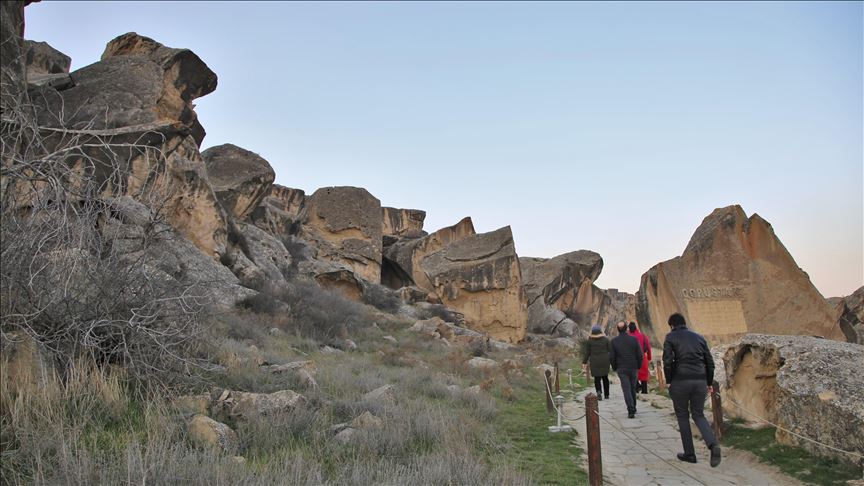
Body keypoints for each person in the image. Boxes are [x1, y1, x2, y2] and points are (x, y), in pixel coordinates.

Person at [663, 313, 722, 467]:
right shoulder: (699, 338)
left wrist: (668, 380)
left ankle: (689, 454)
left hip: (680, 380)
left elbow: (667, 360)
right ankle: (712, 444)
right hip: (700, 380)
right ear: (684, 323)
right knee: (698, 414)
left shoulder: (670, 337)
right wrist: (708, 381)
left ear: (672, 325)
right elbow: (709, 362)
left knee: (682, 416)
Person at [609, 321, 642, 418]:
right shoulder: (634, 339)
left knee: (626, 389)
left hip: (622, 367)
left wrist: (615, 367)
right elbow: (640, 355)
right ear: (626, 328)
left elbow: (612, 357)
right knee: (632, 387)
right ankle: (633, 407)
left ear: (618, 329)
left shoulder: (614, 341)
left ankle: (631, 409)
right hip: (633, 366)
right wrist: (638, 366)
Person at [581, 324, 611, 400]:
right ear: (600, 331)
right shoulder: (606, 340)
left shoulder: (589, 341)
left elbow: (587, 353)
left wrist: (584, 362)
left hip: (595, 361)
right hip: (605, 361)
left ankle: (598, 392)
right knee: (605, 378)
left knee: (597, 378)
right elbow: (610, 350)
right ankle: (607, 394)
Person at [628, 321, 652, 393]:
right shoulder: (643, 336)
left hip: (631, 359)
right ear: (636, 328)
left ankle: (637, 388)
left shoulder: (628, 337)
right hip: (642, 358)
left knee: (633, 375)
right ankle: (644, 391)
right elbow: (648, 347)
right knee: (644, 376)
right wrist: (649, 357)